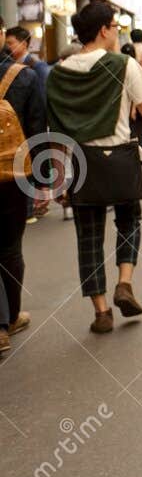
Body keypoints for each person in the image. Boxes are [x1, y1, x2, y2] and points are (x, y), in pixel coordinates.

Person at [45, 1, 142, 335]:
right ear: (103, 30)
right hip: (119, 158)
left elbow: (54, 129)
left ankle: (101, 312)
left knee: (89, 237)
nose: (116, 31)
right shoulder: (123, 64)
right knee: (129, 219)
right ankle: (125, 282)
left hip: (80, 163)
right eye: (114, 26)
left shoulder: (58, 73)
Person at [0, 41, 43, 358]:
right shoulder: (23, 77)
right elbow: (37, 130)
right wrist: (41, 181)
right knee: (10, 246)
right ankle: (9, 319)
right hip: (12, 178)